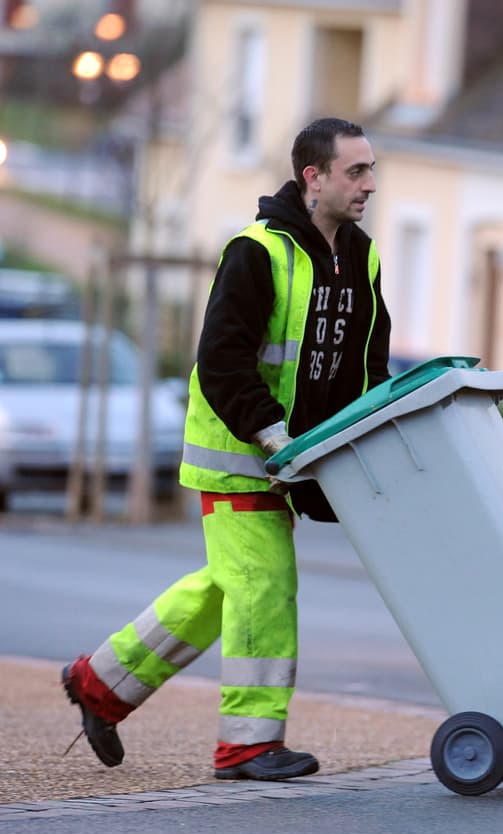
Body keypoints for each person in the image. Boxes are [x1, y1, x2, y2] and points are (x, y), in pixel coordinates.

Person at [60, 117, 391, 782]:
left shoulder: (362, 257)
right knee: (265, 587)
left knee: (225, 588)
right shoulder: (255, 253)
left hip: (292, 461)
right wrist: (274, 435)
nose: (370, 184)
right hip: (241, 455)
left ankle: (99, 685)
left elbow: (364, 367)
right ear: (313, 177)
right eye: (356, 171)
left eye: (371, 170)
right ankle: (247, 742)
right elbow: (221, 362)